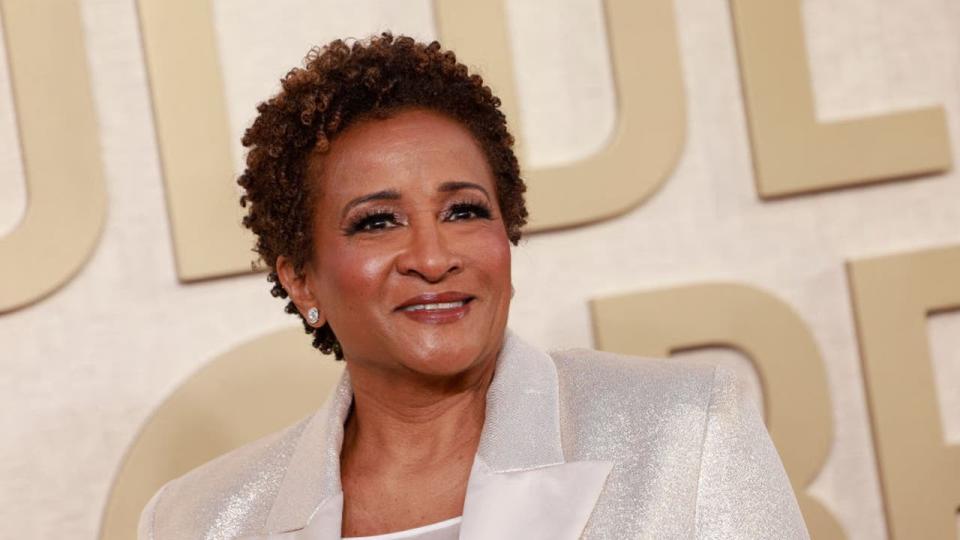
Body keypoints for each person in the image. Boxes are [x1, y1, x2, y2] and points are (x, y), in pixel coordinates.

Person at [138, 33, 809, 539]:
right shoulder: (196, 521)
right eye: (377, 222)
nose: (432, 257)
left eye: (464, 210)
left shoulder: (686, 431)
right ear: (301, 277)